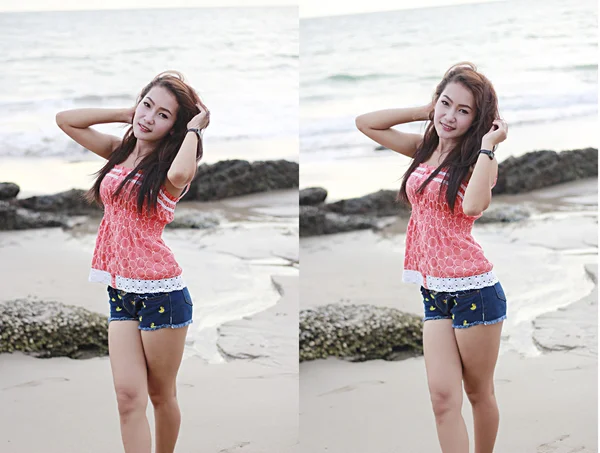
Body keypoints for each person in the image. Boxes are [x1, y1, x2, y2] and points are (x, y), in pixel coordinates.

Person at [356, 62, 508, 453]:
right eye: (446, 103)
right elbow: (366, 123)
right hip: (432, 289)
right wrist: (427, 112)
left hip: (474, 289)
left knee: (478, 394)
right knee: (442, 400)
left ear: (479, 120)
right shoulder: (424, 148)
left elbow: (473, 206)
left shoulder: (479, 160)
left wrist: (489, 147)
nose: (451, 116)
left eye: (464, 110)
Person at [56, 71, 210, 453]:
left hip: (162, 292)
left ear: (174, 126)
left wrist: (194, 131)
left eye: (163, 115)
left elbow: (182, 173)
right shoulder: (119, 152)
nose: (149, 118)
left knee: (161, 396)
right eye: (147, 106)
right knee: (127, 397)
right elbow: (66, 120)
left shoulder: (170, 166)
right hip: (119, 288)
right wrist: (130, 113)